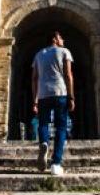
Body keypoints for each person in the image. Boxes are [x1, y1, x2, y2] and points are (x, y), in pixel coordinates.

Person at [32, 30, 75, 176]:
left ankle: (44, 142)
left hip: (43, 94)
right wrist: (71, 96)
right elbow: (68, 75)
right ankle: (56, 164)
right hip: (60, 92)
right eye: (61, 37)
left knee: (43, 123)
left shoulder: (38, 54)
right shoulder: (64, 51)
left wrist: (35, 100)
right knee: (61, 127)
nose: (63, 39)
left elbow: (34, 78)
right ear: (55, 39)